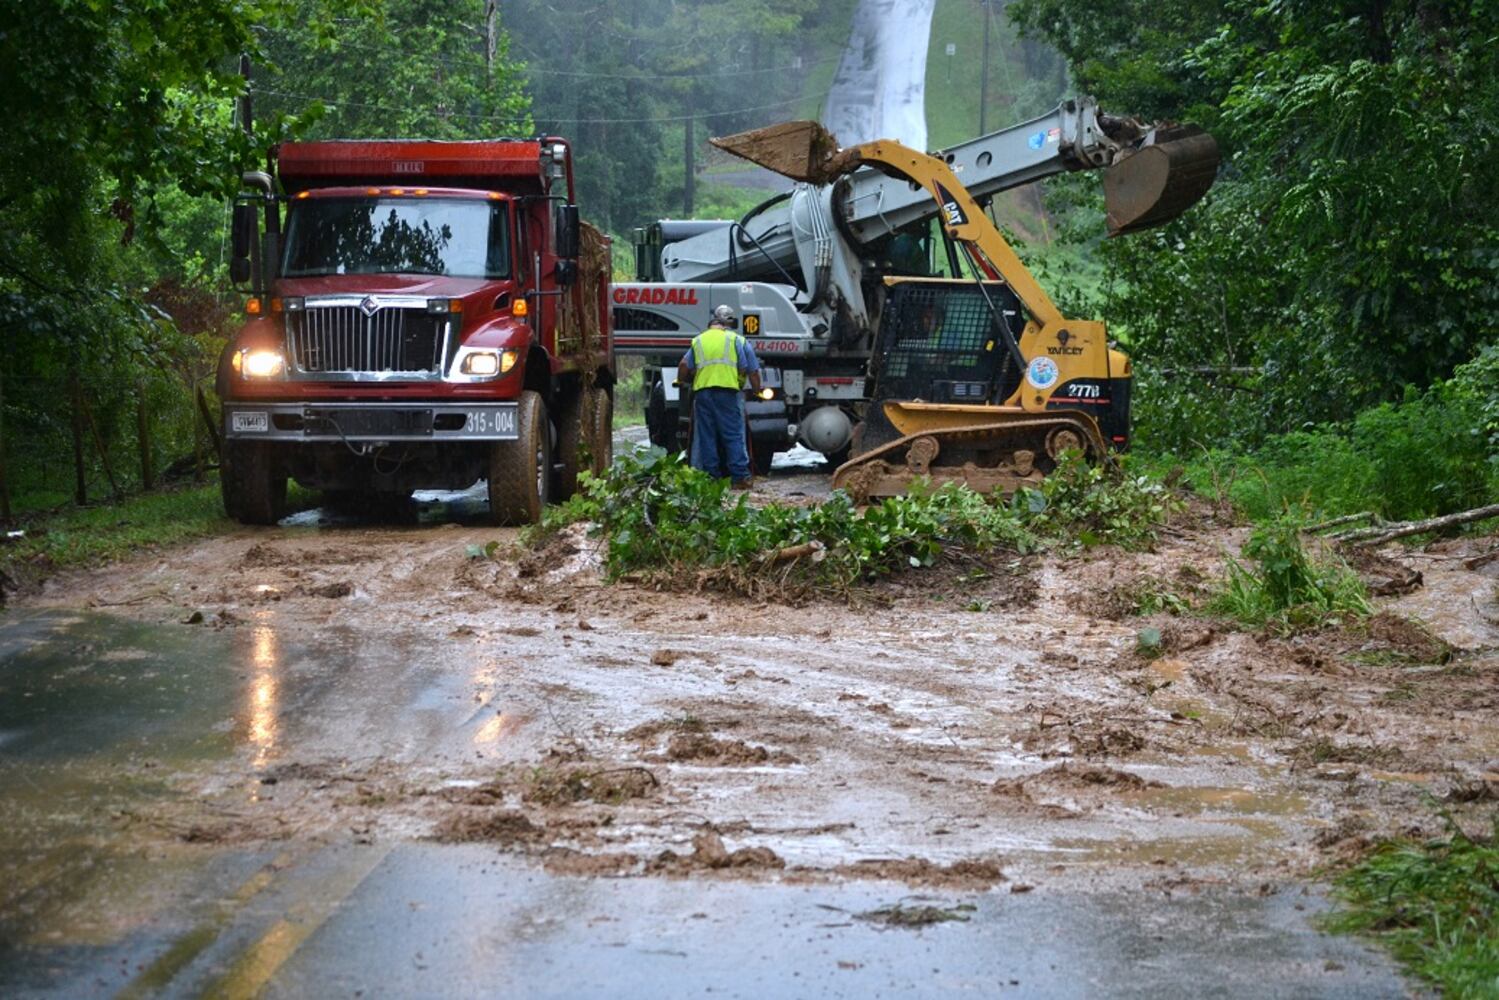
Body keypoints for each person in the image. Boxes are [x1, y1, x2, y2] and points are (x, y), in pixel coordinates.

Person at [677, 304, 763, 488]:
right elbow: (753, 371)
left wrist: (680, 381)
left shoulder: (699, 340)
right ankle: (739, 477)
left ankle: (711, 478)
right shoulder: (737, 340)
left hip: (703, 394)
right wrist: (757, 390)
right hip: (727, 393)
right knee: (732, 435)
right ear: (729, 323)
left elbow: (684, 365)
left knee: (707, 435)